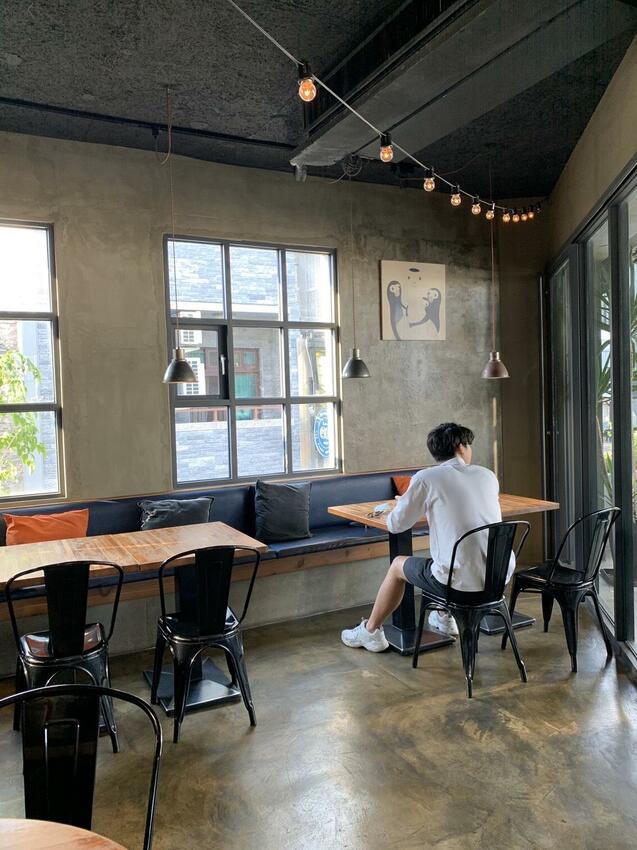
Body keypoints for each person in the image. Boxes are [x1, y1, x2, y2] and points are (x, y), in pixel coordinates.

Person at [341, 422, 513, 651]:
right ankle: (444, 616)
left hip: (459, 586)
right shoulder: (487, 475)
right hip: (498, 579)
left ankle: (370, 631)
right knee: (451, 556)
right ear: (461, 447)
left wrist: (402, 505)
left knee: (398, 565)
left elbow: (396, 525)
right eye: (469, 445)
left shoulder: (427, 478)